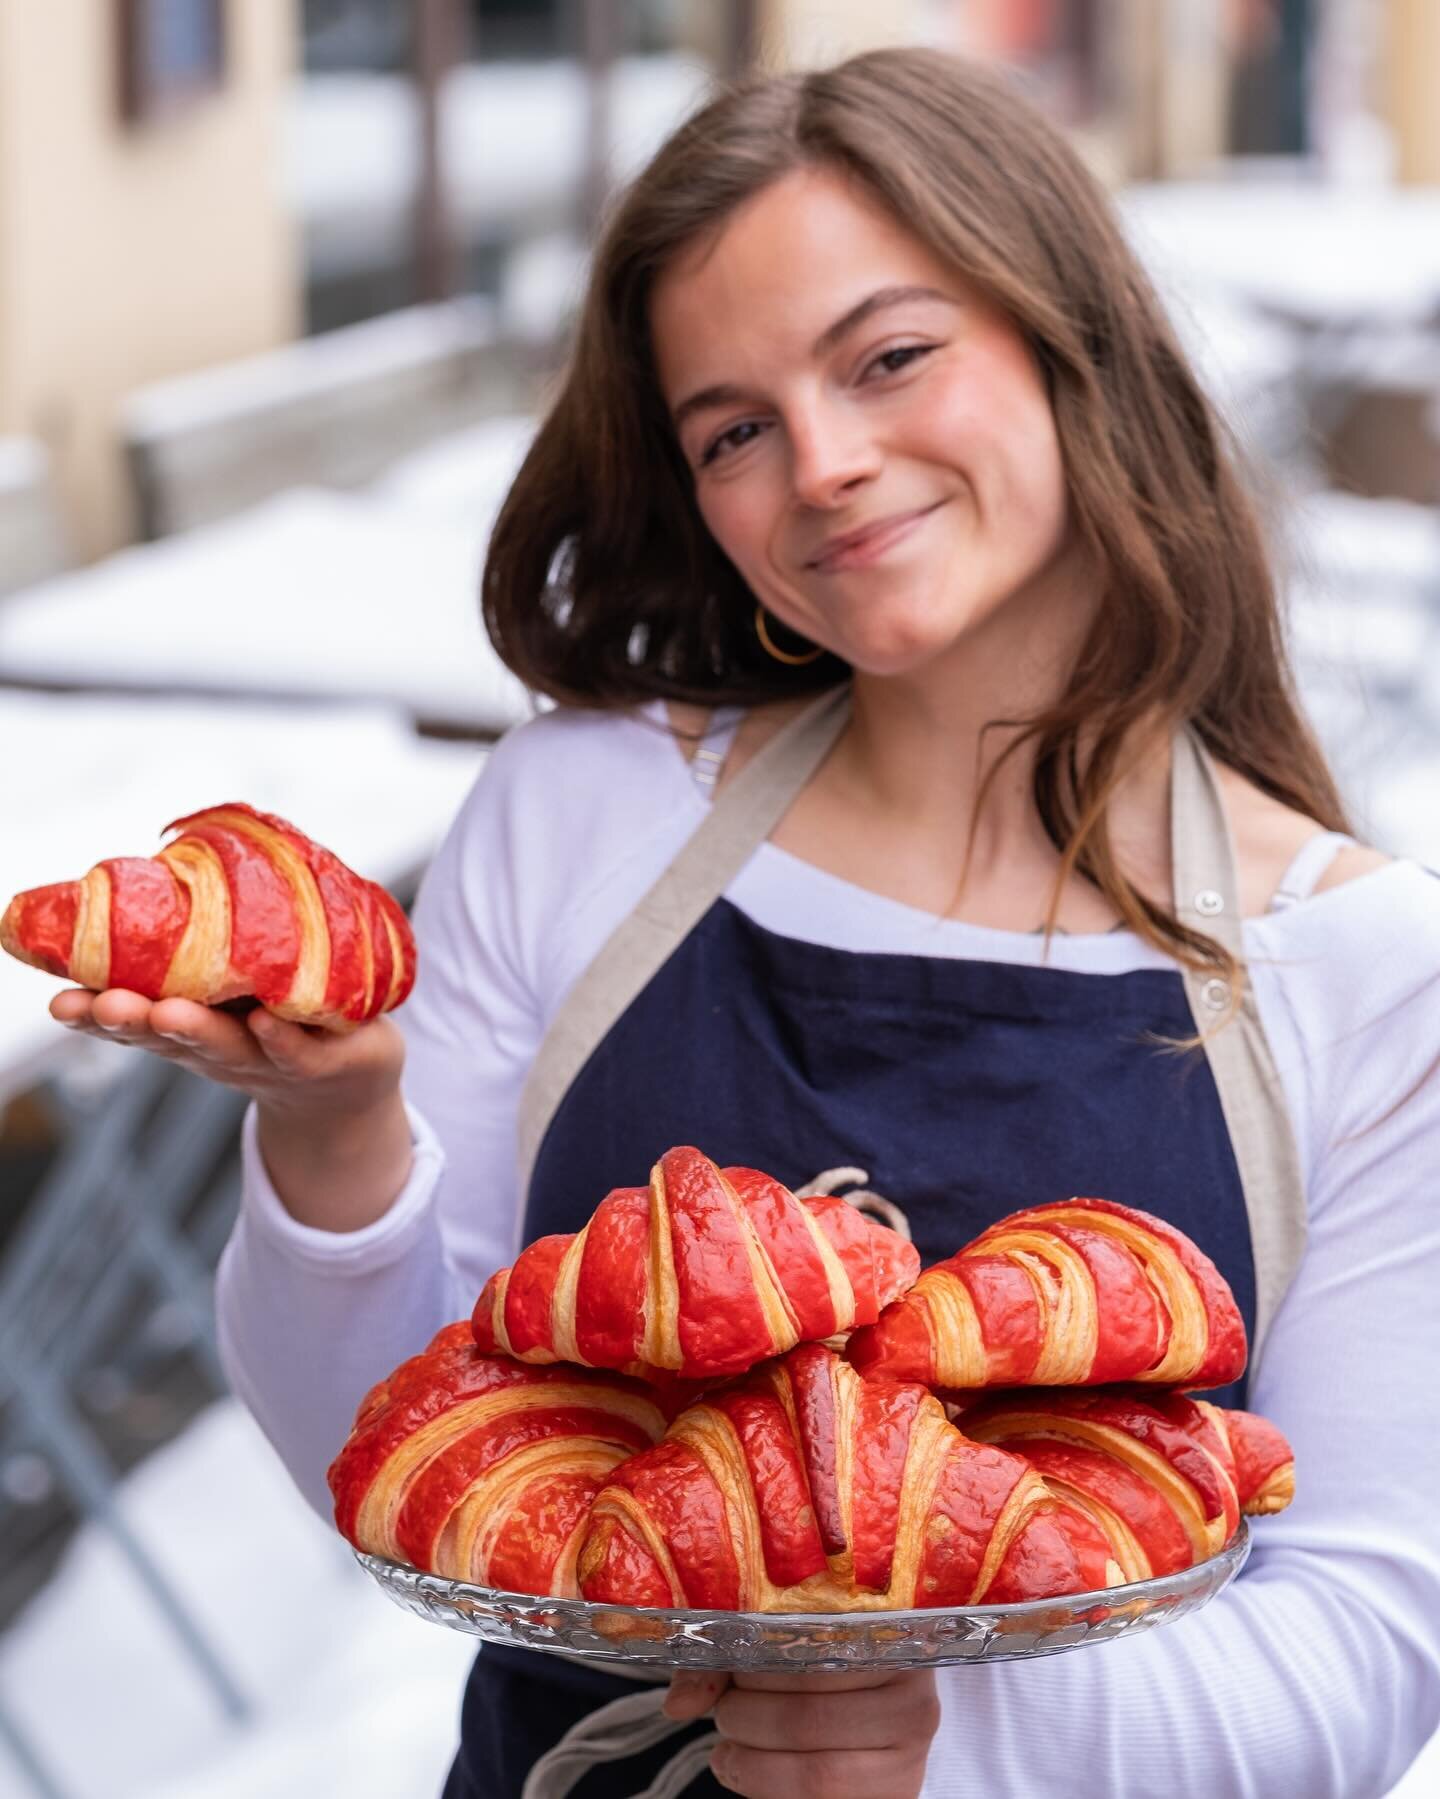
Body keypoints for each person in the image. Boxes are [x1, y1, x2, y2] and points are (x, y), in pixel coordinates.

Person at [48, 47, 1440, 1799]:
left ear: (1067, 339)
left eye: (891, 357)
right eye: (736, 429)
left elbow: (1369, 1646)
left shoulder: (1365, 973)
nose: (828, 464)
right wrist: (336, 1136)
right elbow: (401, 1466)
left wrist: (925, 1729)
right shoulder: (590, 816)